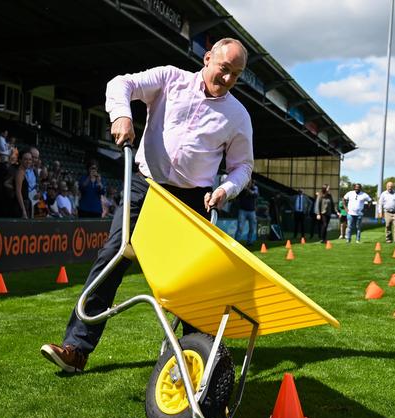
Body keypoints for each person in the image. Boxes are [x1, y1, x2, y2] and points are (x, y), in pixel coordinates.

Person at [40, 37, 253, 373]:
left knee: (191, 279)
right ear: (208, 57)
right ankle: (76, 349)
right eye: (224, 69)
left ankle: (194, 361)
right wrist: (122, 116)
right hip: (146, 187)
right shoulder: (171, 78)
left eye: (236, 75)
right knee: (112, 257)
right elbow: (121, 83)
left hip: (193, 200)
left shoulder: (238, 115)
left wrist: (227, 189)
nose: (227, 79)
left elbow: (243, 166)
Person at [234, 179, 258, 245]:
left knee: (252, 228)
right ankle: (236, 242)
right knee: (240, 228)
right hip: (242, 210)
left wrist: (247, 189)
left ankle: (249, 242)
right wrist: (244, 189)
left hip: (252, 211)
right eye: (247, 182)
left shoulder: (254, 188)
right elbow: (237, 197)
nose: (249, 183)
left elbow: (255, 195)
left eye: (250, 182)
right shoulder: (242, 189)